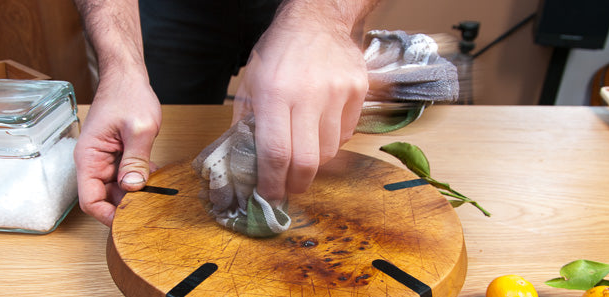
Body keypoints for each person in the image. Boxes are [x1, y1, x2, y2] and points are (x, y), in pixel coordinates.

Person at [73, 0, 380, 227]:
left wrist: (326, 16)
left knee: (311, 143)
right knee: (157, 132)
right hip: (167, 9)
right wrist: (120, 68)